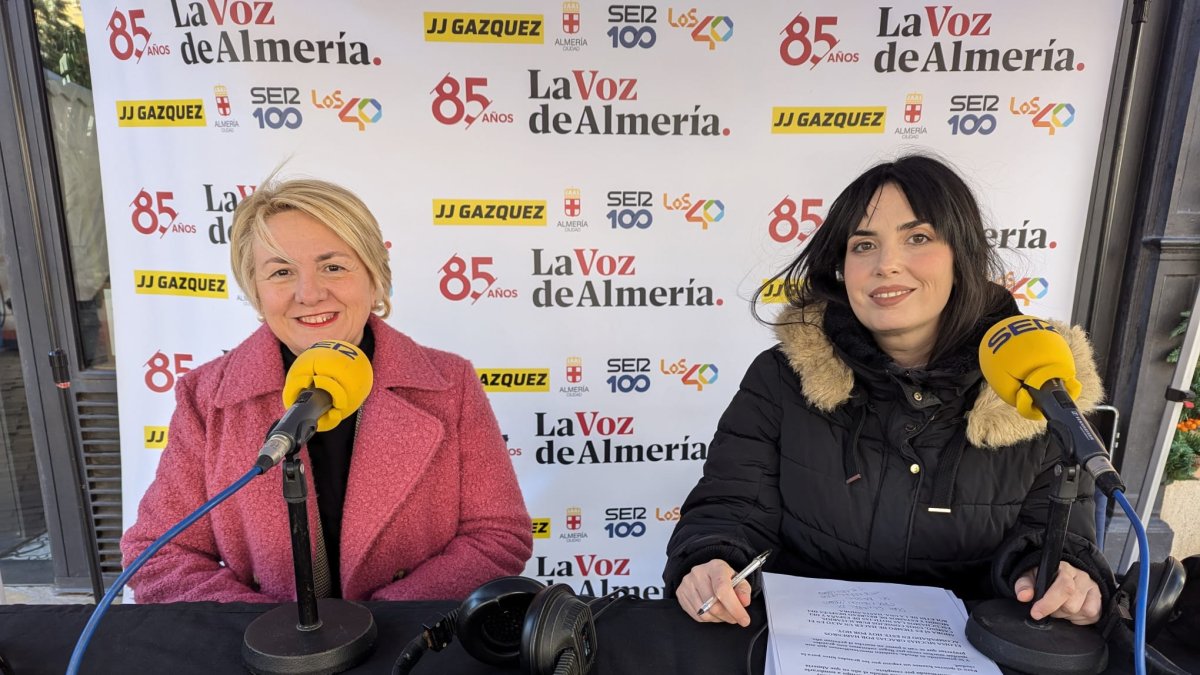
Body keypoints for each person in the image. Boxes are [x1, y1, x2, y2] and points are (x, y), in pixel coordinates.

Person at [664, 155, 1113, 628]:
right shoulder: (781, 377)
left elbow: (1056, 539)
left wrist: (1060, 576)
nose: (886, 265)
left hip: (972, 643)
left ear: (962, 254)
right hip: (799, 640)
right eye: (863, 245)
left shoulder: (1039, 385)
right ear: (841, 268)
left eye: (917, 238)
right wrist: (711, 559)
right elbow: (731, 507)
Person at [121, 177, 533, 602]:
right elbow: (159, 556)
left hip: (407, 637)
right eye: (281, 272)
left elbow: (497, 535)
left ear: (375, 277)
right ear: (256, 291)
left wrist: (383, 623)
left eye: (333, 266)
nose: (310, 294)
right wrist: (273, 629)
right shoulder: (206, 397)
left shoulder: (450, 384)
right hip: (264, 641)